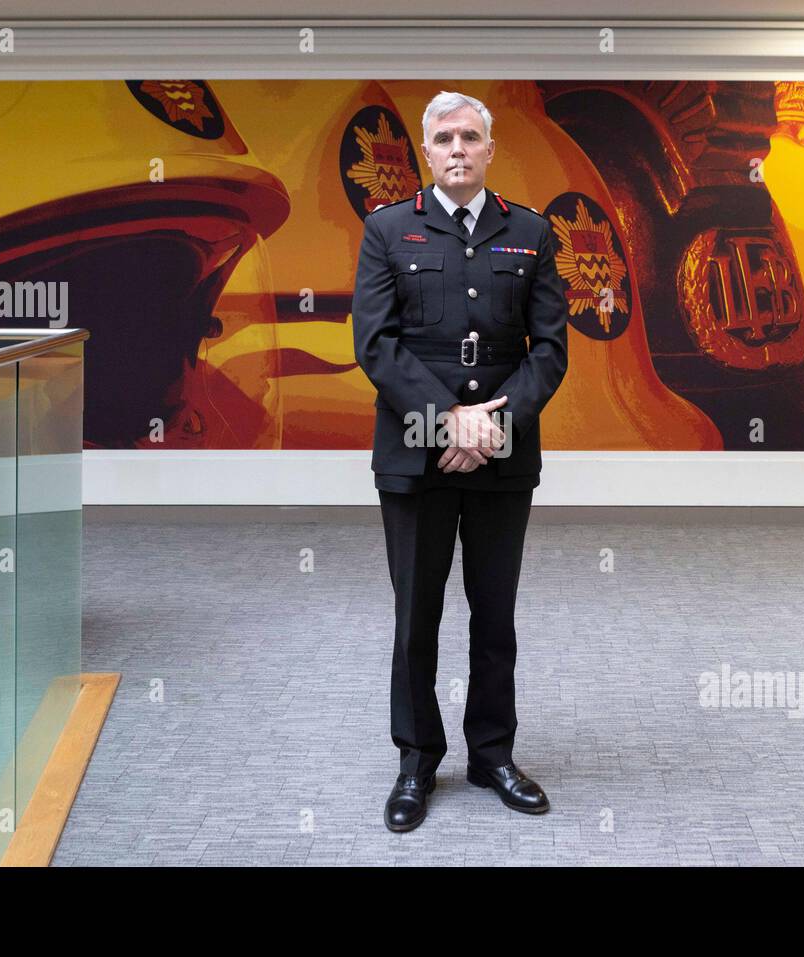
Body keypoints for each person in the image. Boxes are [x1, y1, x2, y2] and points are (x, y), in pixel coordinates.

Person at [351, 90, 569, 832]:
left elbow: (549, 353)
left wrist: (488, 426)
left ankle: (492, 753)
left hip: (502, 454)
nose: (457, 149)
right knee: (417, 614)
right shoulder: (387, 230)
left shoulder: (532, 233)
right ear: (425, 149)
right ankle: (416, 759)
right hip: (415, 453)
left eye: (470, 137)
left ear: (489, 149)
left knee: (495, 614)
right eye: (443, 138)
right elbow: (376, 347)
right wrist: (450, 420)